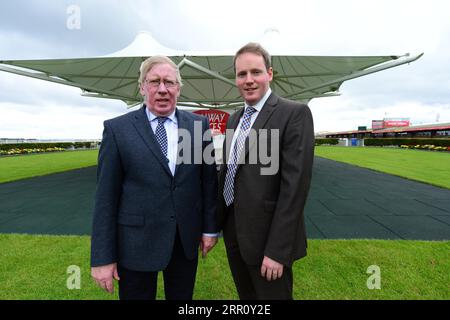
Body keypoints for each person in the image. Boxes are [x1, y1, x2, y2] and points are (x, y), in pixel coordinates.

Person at [90, 55, 218, 300]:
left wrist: (210, 229)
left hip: (184, 241)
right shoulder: (118, 130)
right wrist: (102, 258)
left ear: (178, 88)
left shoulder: (198, 126)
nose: (162, 89)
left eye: (169, 82)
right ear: (142, 87)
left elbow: (208, 182)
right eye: (154, 82)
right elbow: (106, 198)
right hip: (135, 244)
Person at [217, 43, 315, 300]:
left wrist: (277, 251)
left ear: (270, 74)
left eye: (255, 72)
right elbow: (229, 173)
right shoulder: (234, 119)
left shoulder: (294, 114)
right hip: (235, 233)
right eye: (241, 74)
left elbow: (294, 189)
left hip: (269, 242)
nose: (248, 80)